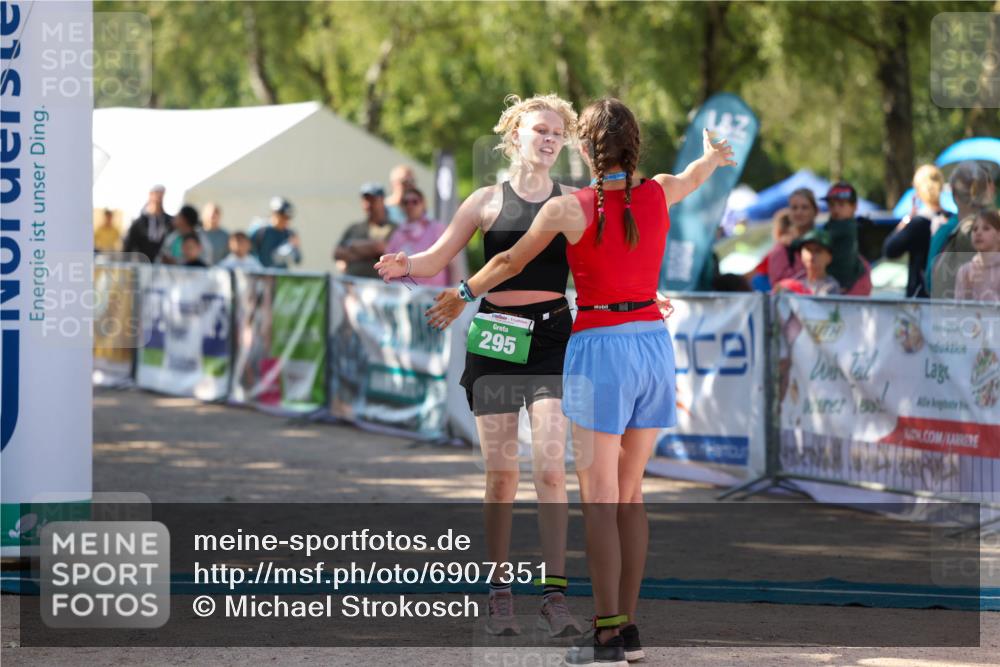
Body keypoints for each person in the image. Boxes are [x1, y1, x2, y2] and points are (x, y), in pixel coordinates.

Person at [415, 98, 735, 666]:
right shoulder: (660, 191)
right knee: (631, 496)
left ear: (584, 149)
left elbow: (509, 262)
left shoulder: (570, 208)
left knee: (599, 500)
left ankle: (607, 635)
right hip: (653, 346)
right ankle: (628, 630)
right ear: (636, 145)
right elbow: (693, 173)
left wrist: (462, 293)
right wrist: (712, 157)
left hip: (600, 347)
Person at [375, 93, 585, 639]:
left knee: (550, 470)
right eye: (540, 130)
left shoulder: (572, 202)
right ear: (515, 135)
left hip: (553, 338)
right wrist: (406, 263)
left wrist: (644, 295)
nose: (549, 140)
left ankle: (555, 598)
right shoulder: (485, 201)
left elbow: (598, 266)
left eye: (557, 133)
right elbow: (436, 258)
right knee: (501, 476)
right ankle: (500, 595)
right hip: (495, 340)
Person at [926, 161, 997, 298]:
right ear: (986, 192)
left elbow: (930, 283)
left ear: (953, 194)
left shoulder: (943, 232)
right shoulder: (995, 229)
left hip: (948, 309)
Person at [881, 165, 946, 298]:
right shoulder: (950, 220)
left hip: (920, 297)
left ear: (918, 192)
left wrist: (906, 221)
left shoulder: (918, 223)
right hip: (944, 294)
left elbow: (889, 250)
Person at [384, 187, 466, 287]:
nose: (410, 205)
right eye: (406, 202)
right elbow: (388, 265)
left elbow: (454, 263)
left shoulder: (437, 229)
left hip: (434, 293)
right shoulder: (397, 233)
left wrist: (457, 289)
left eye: (414, 201)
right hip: (404, 293)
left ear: (423, 204)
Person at [335, 183, 398, 279]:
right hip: (352, 282)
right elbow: (337, 253)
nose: (368, 204)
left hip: (381, 284)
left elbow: (383, 248)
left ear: (382, 200)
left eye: (372, 200)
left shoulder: (394, 228)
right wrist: (370, 252)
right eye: (365, 200)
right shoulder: (354, 228)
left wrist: (353, 246)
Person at [820, 181, 871, 296]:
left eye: (841, 204)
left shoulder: (846, 225)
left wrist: (796, 240)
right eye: (832, 205)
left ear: (854, 206)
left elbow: (820, 238)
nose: (836, 209)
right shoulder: (833, 225)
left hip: (846, 285)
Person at [775, 229, 841, 295]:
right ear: (801, 255)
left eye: (818, 251)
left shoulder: (831, 286)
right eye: (808, 249)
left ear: (829, 257)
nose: (811, 255)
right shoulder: (797, 280)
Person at [955, 209, 1000, 303]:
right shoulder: (965, 271)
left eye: (986, 228)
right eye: (974, 229)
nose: (978, 233)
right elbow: (959, 308)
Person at [123, 184, 173, 261]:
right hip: (141, 262)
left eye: (161, 195)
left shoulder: (169, 221)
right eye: (156, 194)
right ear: (150, 195)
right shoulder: (138, 223)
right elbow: (129, 246)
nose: (158, 198)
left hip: (161, 265)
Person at [252, 197, 302, 269]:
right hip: (261, 273)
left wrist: (294, 248)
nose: (286, 220)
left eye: (288, 217)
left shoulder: (290, 233)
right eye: (283, 216)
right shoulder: (261, 230)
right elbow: (248, 253)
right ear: (274, 213)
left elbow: (298, 260)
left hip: (281, 274)